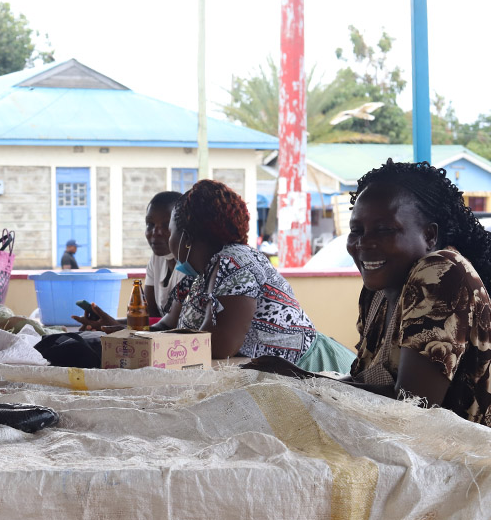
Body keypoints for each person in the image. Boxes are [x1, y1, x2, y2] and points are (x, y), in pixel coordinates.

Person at [251, 160, 491, 423]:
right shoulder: (377, 293)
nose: (364, 243)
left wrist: (303, 380)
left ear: (429, 236)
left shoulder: (442, 272)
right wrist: (292, 376)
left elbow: (411, 410)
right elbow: (364, 385)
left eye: (385, 230)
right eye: (356, 230)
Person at [147, 180, 353, 370]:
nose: (168, 239)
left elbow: (219, 345)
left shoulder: (233, 262)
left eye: (171, 231)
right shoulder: (200, 276)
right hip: (280, 380)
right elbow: (172, 326)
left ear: (187, 238)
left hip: (313, 372)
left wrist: (158, 345)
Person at [75, 191, 185, 329]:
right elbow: (149, 317)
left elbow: (171, 326)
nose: (155, 232)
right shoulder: (157, 259)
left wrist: (116, 327)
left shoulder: (191, 267)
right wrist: (105, 322)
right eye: (150, 224)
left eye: (166, 225)